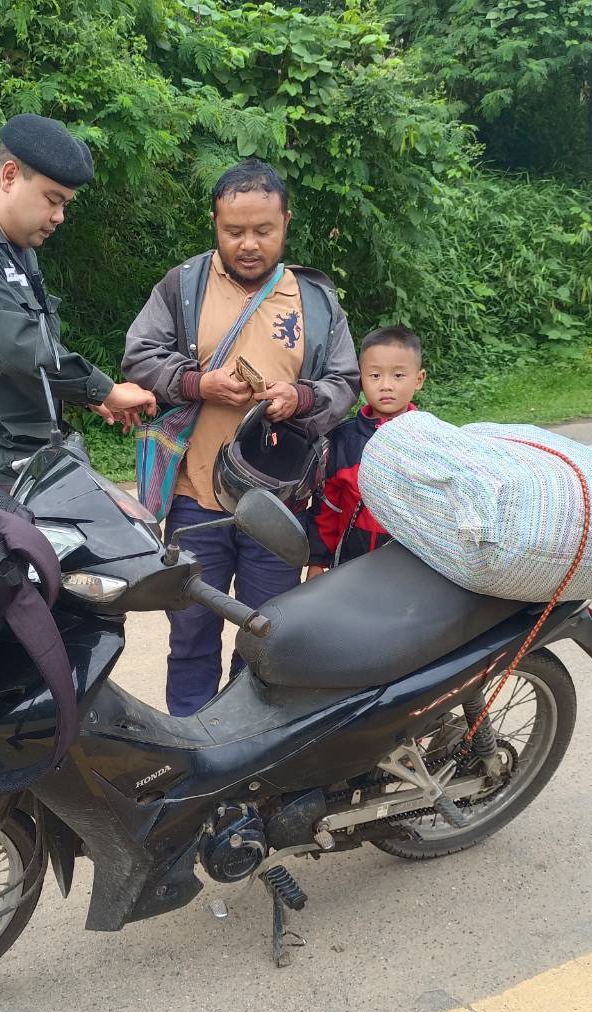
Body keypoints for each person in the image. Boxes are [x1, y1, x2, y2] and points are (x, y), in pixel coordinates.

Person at [122, 159, 359, 715]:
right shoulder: (183, 286)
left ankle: (245, 746)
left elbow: (345, 381)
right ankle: (191, 746)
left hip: (279, 504)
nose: (248, 244)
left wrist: (300, 398)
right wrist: (197, 383)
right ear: (214, 224)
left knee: (266, 636)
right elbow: (139, 356)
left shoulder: (316, 301)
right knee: (190, 636)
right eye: (234, 231)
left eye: (263, 230)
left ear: (286, 223)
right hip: (196, 501)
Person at [0, 114, 157, 487]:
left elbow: (38, 349)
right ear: (9, 176)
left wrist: (85, 395)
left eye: (65, 205)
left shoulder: (17, 252)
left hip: (22, 460)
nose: (59, 217)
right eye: (52, 200)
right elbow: (15, 348)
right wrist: (103, 388)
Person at [306, 325, 426, 578]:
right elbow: (327, 506)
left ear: (419, 379)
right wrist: (318, 561)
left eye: (398, 375)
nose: (386, 386)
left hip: (411, 569)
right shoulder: (342, 440)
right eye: (374, 376)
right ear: (360, 379)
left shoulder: (431, 440)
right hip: (350, 565)